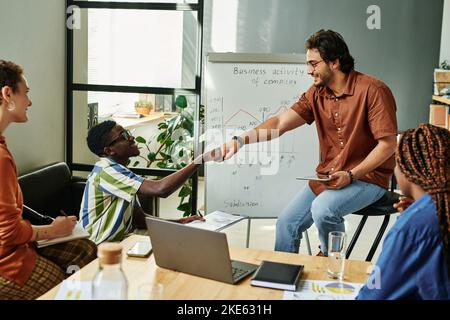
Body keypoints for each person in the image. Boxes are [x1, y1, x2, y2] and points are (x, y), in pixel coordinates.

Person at [220, 29, 398, 255]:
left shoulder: (374, 90)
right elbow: (279, 124)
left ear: (334, 62)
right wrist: (240, 140)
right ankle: (282, 280)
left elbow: (388, 144)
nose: (308, 71)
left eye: (314, 64)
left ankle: (329, 263)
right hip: (329, 175)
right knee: (286, 224)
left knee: (323, 209)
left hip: (368, 178)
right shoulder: (316, 94)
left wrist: (352, 175)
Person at [0, 60, 97, 300]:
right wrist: (51, 231)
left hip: (15, 243)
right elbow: (8, 233)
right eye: (27, 93)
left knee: (84, 249)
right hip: (7, 259)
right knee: (60, 286)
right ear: (7, 93)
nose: (30, 102)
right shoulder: (0, 159)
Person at [81, 120, 220, 244]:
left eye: (128, 132)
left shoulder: (119, 171)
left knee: (182, 240)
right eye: (123, 136)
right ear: (109, 150)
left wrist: (179, 223)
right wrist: (200, 160)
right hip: (98, 249)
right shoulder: (106, 171)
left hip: (121, 242)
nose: (131, 137)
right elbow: (160, 189)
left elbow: (140, 219)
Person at [357, 123, 450, 299]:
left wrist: (412, 220)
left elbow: (374, 296)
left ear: (407, 170)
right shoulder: (437, 212)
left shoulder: (413, 227)